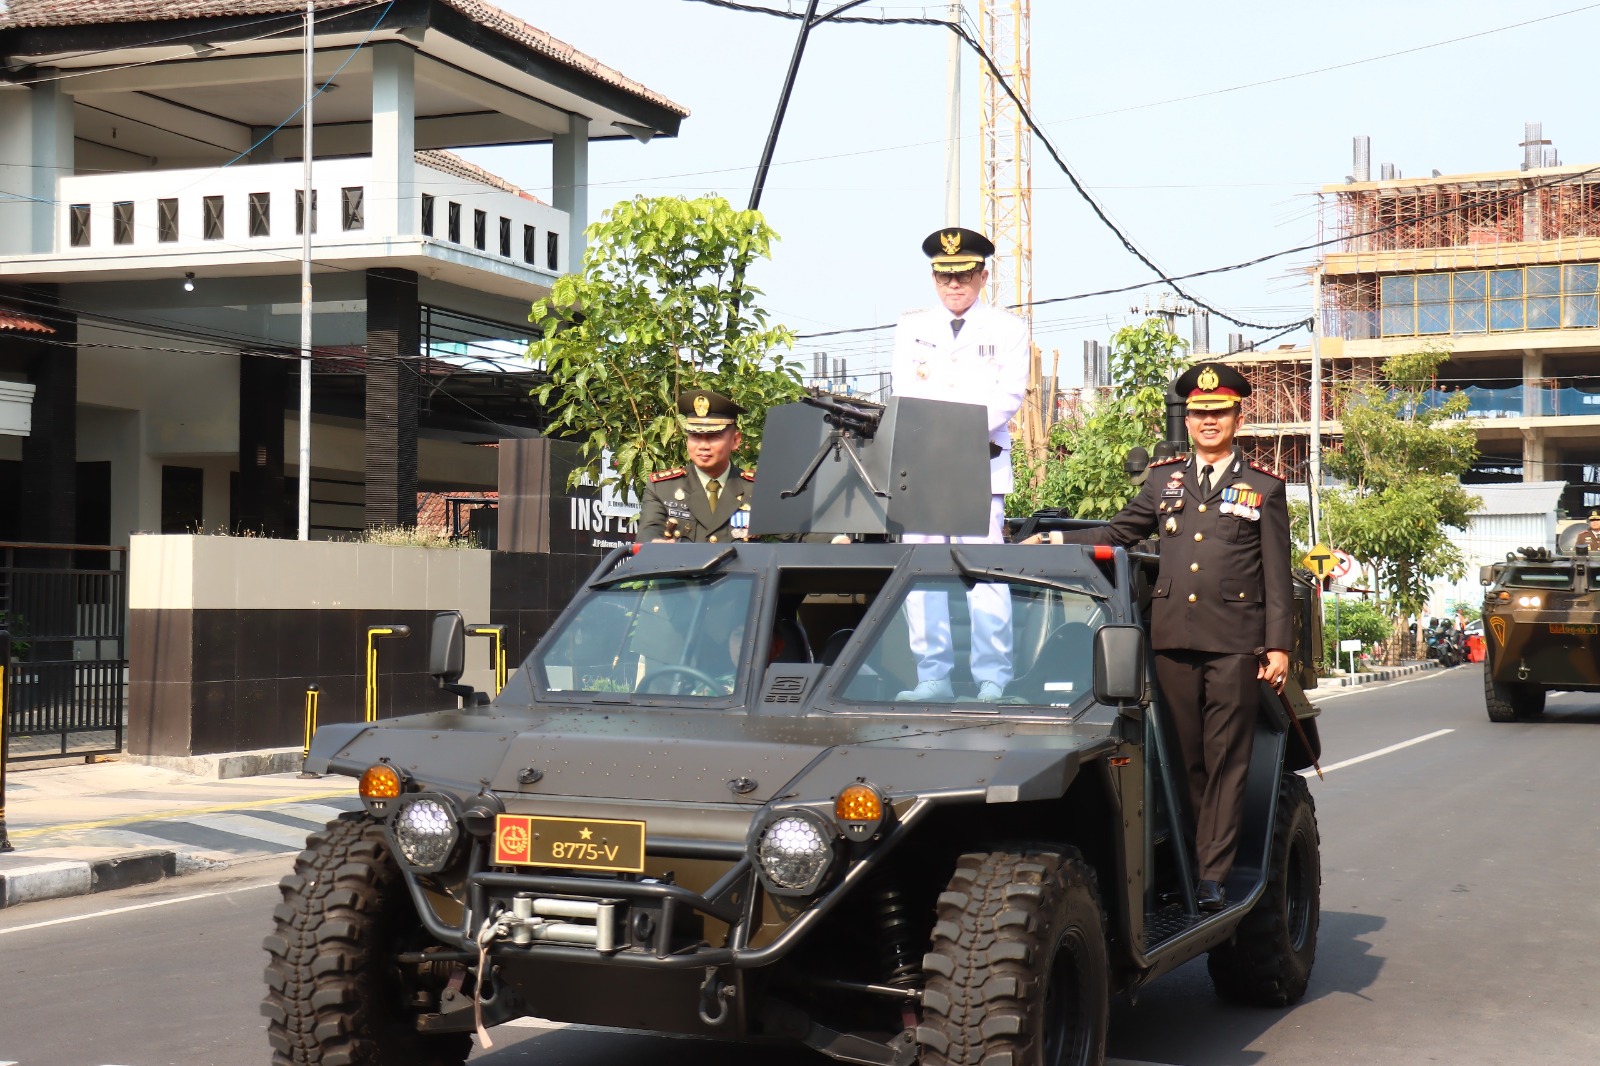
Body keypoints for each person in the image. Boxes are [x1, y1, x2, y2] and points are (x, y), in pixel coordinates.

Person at [1032, 361, 1292, 912]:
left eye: (1218, 413)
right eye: (1198, 414)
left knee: (1227, 759)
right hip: (1173, 638)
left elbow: (1275, 572)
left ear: (1236, 418)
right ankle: (1196, 858)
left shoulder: (1263, 488)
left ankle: (1213, 874)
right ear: (1189, 420)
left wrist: (1278, 646)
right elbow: (1117, 533)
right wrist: (1052, 537)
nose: (1207, 422)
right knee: (1185, 756)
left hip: (1235, 642)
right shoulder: (1163, 479)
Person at [889, 226, 1030, 702]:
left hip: (977, 463)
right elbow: (905, 393)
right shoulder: (912, 327)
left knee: (984, 572)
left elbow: (1008, 396)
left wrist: (954, 434)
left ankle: (993, 676)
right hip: (924, 467)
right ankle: (933, 676)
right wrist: (934, 439)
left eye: (964, 275)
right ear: (934, 278)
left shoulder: (1009, 329)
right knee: (922, 571)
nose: (955, 285)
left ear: (982, 276)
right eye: (945, 276)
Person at [637, 389, 756, 544]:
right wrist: (654, 545)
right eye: (695, 436)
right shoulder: (663, 489)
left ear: (735, 440)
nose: (703, 446)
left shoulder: (757, 491)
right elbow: (648, 534)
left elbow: (790, 540)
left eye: (713, 437)